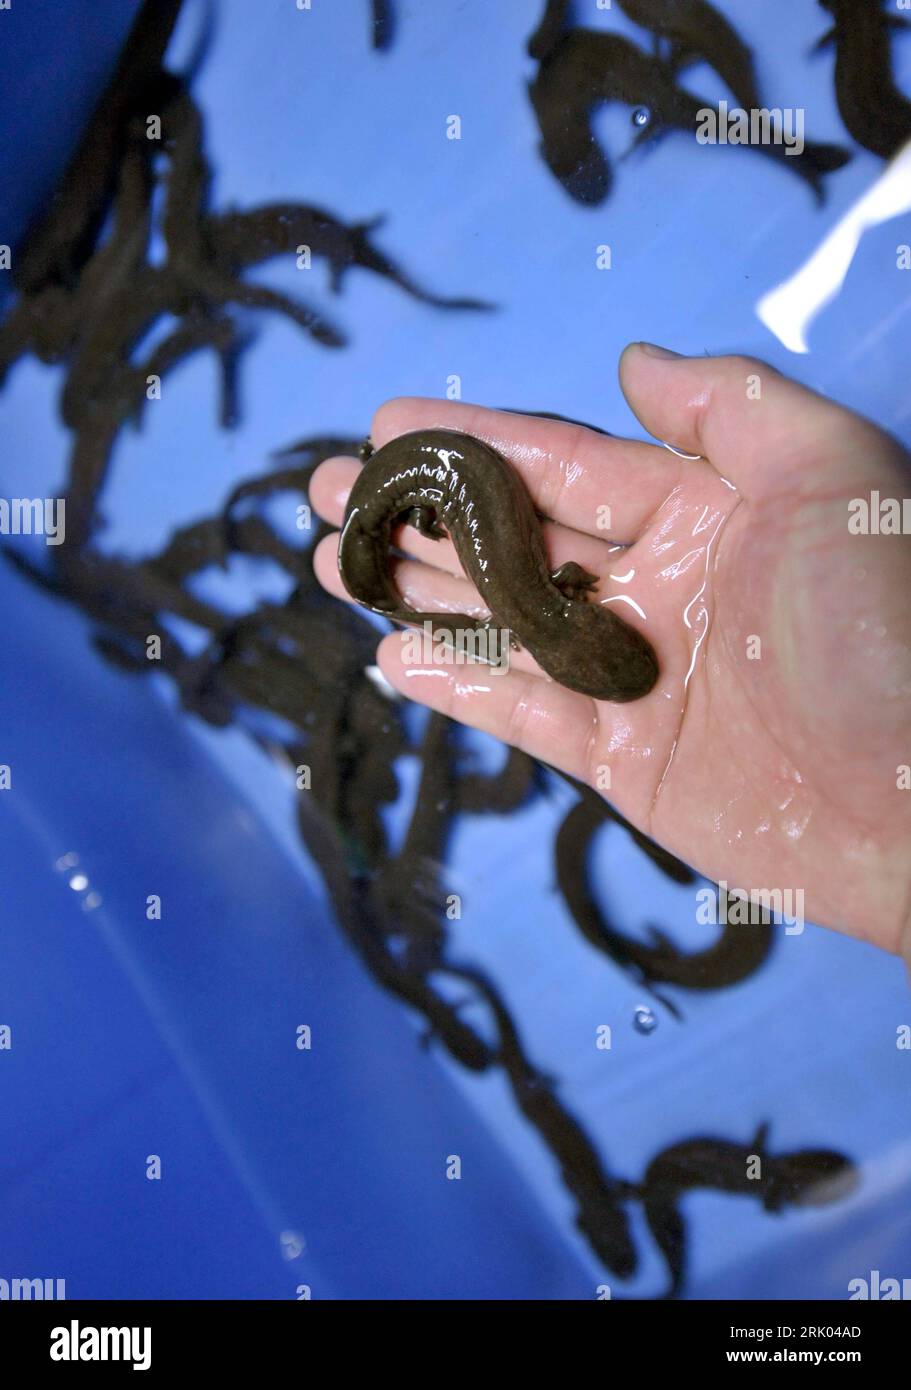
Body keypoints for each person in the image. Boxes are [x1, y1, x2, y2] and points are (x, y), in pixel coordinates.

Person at [310, 346, 911, 968]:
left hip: (423, 479)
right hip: (425, 478)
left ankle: (384, 527)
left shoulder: (560, 589)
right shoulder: (549, 600)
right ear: (581, 607)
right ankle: (383, 541)